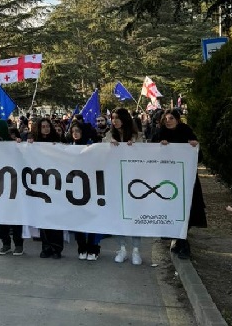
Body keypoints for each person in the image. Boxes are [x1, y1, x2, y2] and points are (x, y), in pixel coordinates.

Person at [152, 108, 207, 259]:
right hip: (167, 180)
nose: (168, 121)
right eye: (166, 119)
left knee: (187, 208)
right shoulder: (159, 134)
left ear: (177, 120)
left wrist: (195, 147)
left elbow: (199, 158)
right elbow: (150, 155)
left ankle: (182, 242)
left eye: (171, 118)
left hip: (186, 178)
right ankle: (181, 242)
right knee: (172, 208)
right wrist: (159, 146)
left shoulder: (187, 132)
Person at [104, 108, 144, 265]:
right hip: (114, 182)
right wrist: (109, 145)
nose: (115, 120)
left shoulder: (138, 136)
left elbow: (146, 156)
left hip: (134, 183)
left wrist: (135, 148)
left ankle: (136, 250)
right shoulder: (108, 136)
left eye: (118, 118)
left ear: (125, 119)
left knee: (134, 215)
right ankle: (122, 248)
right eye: (113, 118)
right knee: (117, 216)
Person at [27, 118, 64, 259]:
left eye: (48, 126)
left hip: (55, 183)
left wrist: (59, 147)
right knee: (43, 217)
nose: (46, 129)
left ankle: (57, 248)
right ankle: (46, 247)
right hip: (40, 183)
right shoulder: (33, 142)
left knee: (56, 216)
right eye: (43, 127)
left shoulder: (57, 140)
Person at [0, 119, 25, 256]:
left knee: (15, 216)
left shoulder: (13, 143)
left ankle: (18, 244)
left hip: (14, 184)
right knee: (1, 216)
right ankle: (5, 244)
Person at [69, 122, 102, 260]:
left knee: (92, 218)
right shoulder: (69, 148)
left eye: (78, 131)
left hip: (92, 188)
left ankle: (93, 248)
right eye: (73, 131)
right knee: (77, 219)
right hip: (75, 189)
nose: (75, 133)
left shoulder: (92, 147)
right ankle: (81, 247)